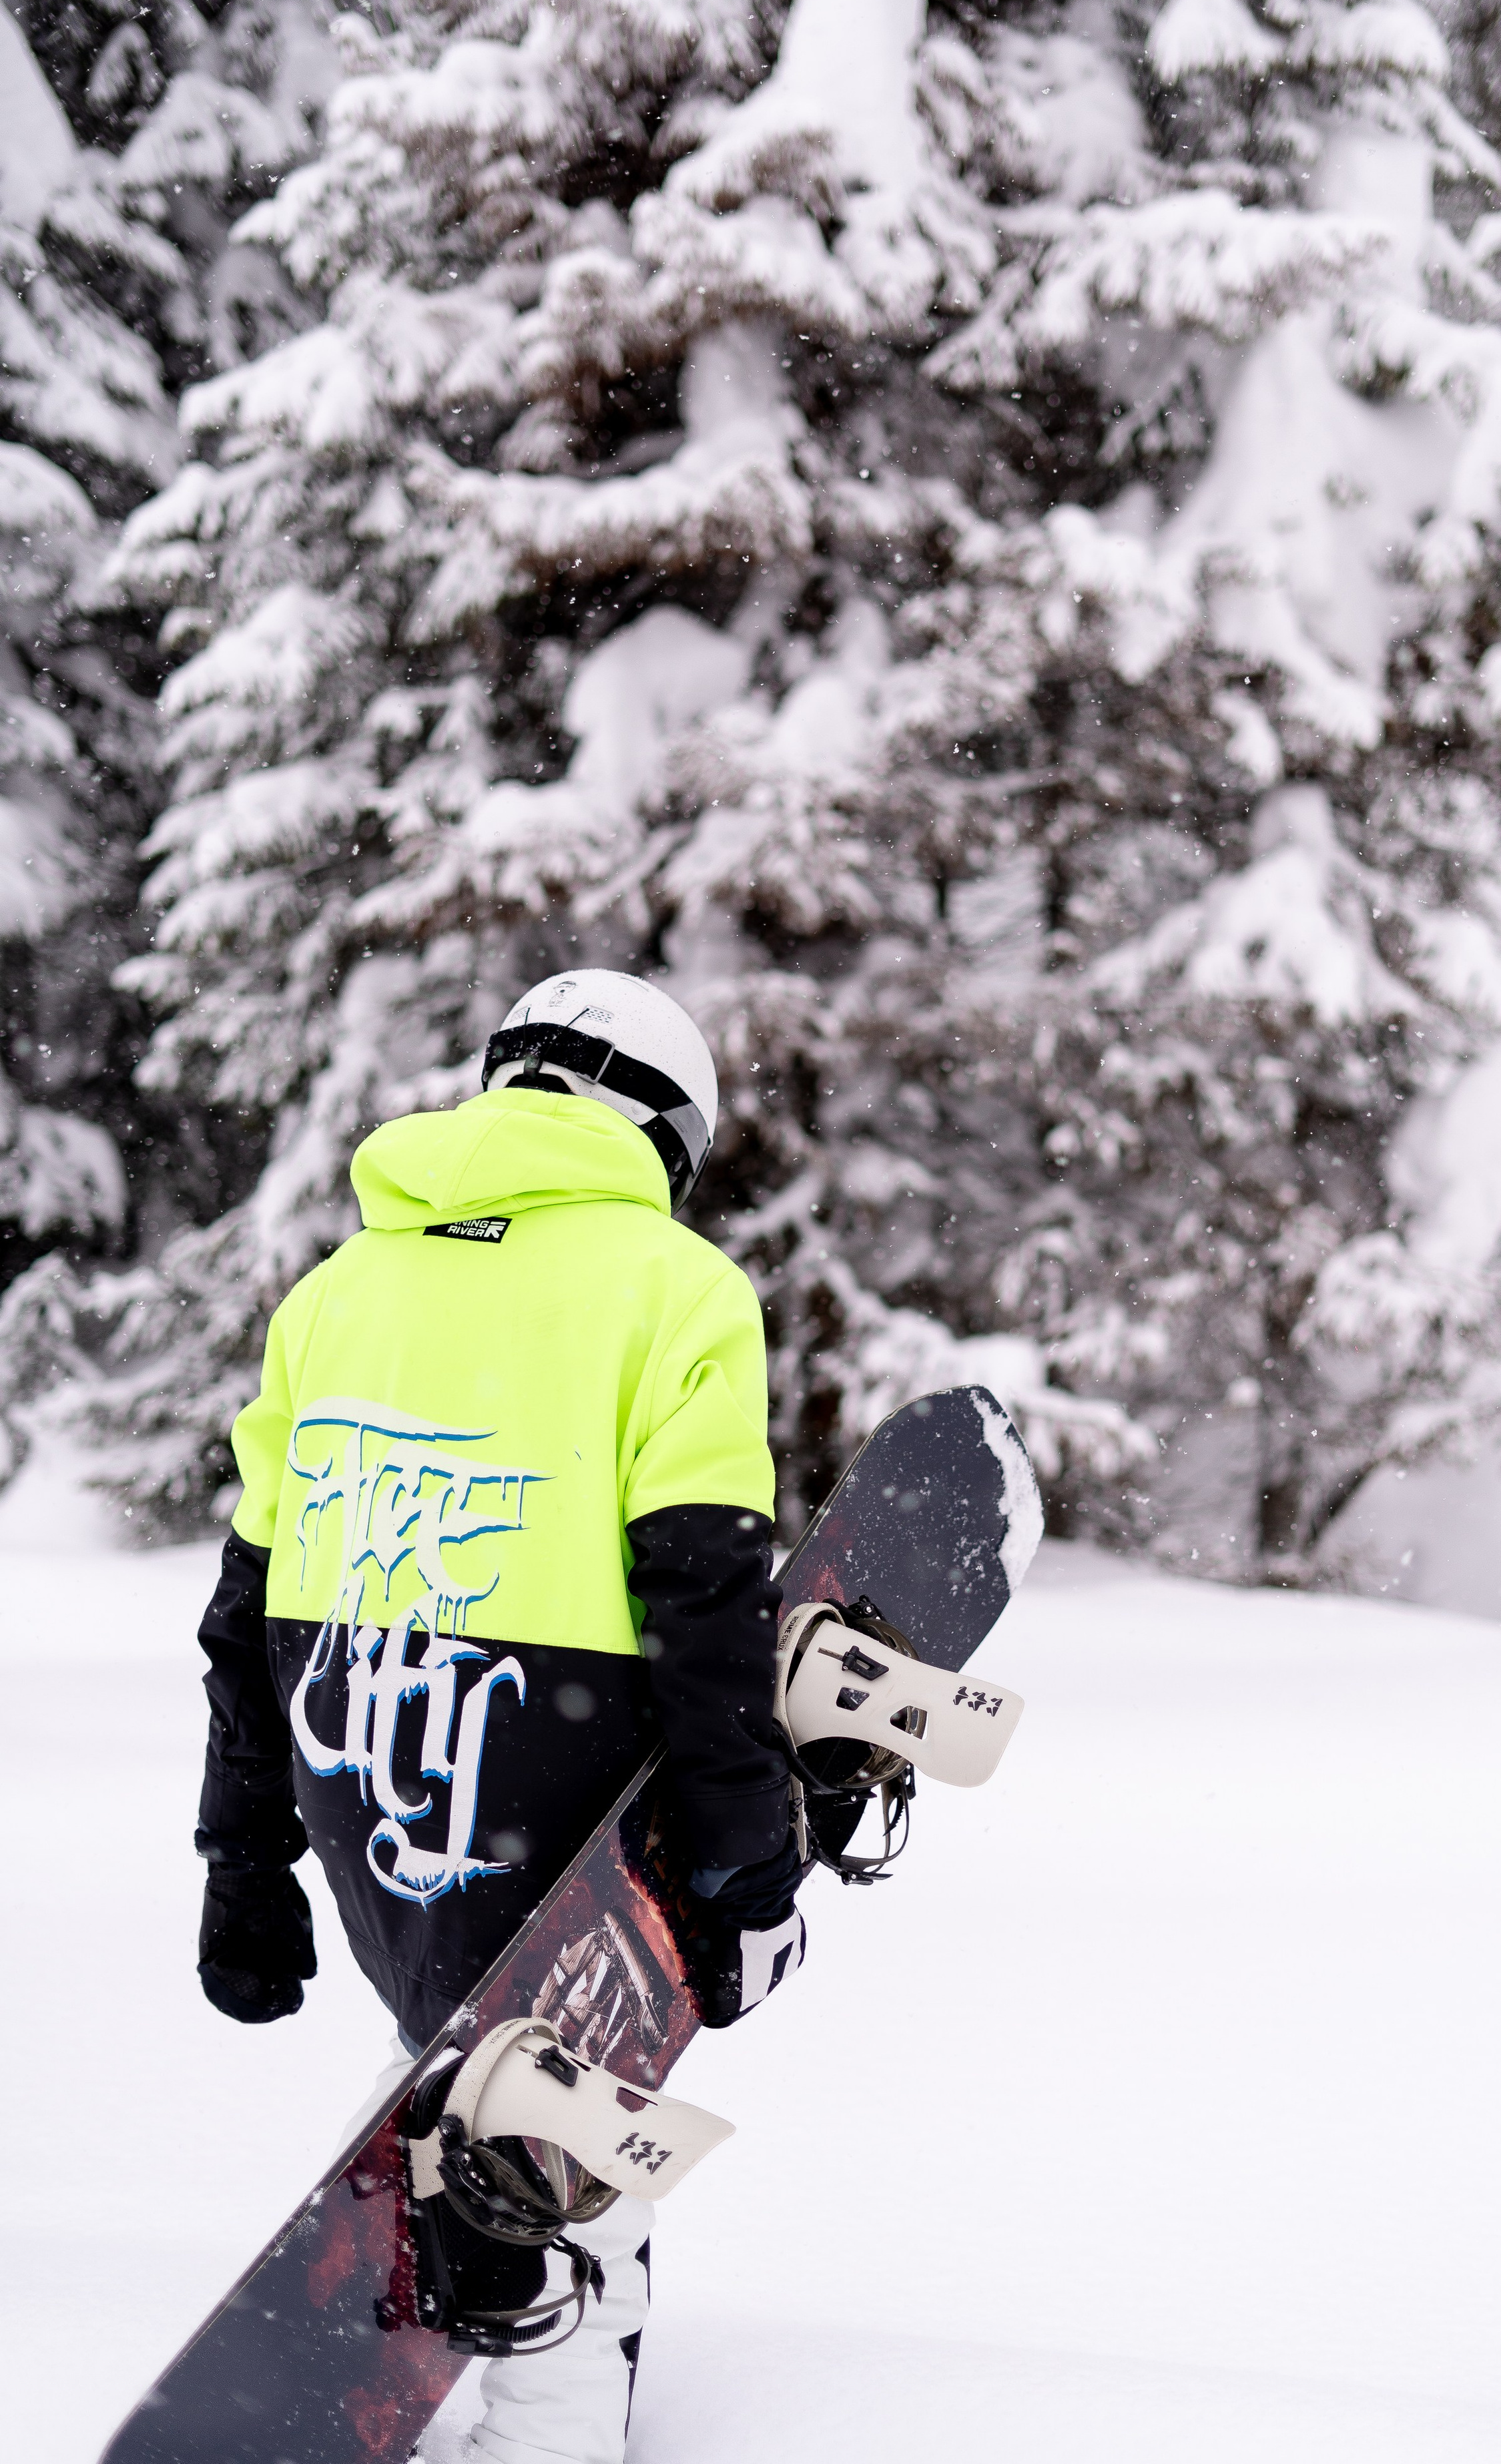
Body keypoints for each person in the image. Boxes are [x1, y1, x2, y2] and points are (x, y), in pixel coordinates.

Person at [192, 968, 806, 2464]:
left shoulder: (335, 1293)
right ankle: (546, 2426)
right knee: (571, 2115)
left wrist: (247, 1864)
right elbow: (705, 1592)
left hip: (368, 1762)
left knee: (465, 2049)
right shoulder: (674, 1290)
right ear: (663, 1133)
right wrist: (741, 1851)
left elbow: (241, 1610)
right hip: (561, 1760)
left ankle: (463, 2299)